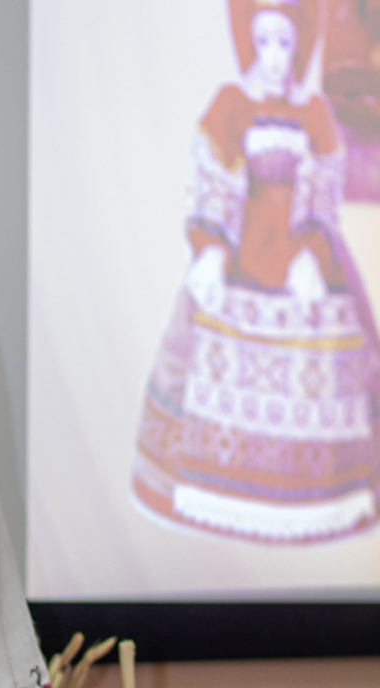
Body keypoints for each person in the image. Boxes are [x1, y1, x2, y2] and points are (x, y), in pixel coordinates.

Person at [133, 0, 380, 543]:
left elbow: (322, 188)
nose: (273, 56)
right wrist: (210, 248)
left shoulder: (313, 113)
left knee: (337, 351)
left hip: (300, 249)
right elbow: (211, 178)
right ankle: (213, 480)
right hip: (242, 250)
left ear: (299, 48)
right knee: (204, 341)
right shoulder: (232, 104)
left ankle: (317, 491)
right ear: (248, 42)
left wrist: (312, 251)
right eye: (263, 42)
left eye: (284, 44)